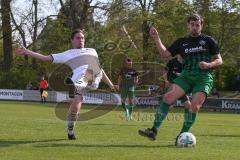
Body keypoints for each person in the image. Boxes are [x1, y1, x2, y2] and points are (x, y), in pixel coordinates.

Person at [16, 29, 116, 140]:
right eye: (78, 38)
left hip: (93, 78)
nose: (81, 40)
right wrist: (27, 52)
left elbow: (100, 70)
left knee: (94, 66)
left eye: (82, 38)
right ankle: (70, 130)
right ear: (72, 40)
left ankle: (77, 84)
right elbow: (45, 58)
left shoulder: (92, 51)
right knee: (74, 109)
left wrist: (111, 85)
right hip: (80, 83)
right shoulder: (68, 54)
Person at [138, 14, 223, 145]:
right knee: (167, 98)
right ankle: (153, 130)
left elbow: (219, 60)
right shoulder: (181, 42)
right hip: (186, 76)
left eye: (197, 25)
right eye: (192, 25)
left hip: (203, 77)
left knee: (194, 106)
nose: (195, 27)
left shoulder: (208, 41)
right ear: (188, 25)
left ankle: (181, 136)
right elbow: (164, 54)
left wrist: (209, 65)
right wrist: (156, 38)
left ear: (201, 25)